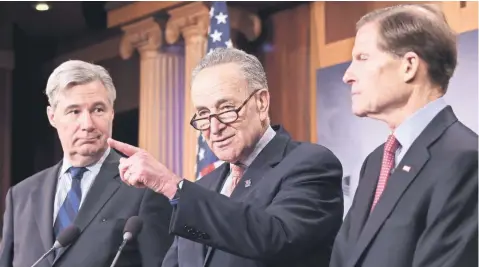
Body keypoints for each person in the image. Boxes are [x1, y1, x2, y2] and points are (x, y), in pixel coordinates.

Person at [107, 47, 344, 267]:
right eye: (203, 114)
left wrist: (172, 186)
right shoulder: (203, 188)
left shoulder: (310, 164)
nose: (214, 127)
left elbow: (276, 239)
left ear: (261, 102)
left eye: (226, 109)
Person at [330, 4, 478, 267]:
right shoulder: (376, 162)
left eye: (362, 58)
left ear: (409, 65)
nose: (347, 76)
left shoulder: (466, 160)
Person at [0, 60, 174, 267]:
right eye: (74, 111)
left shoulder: (144, 187)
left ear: (112, 113)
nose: (88, 124)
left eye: (98, 110)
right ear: (52, 117)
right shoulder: (21, 195)